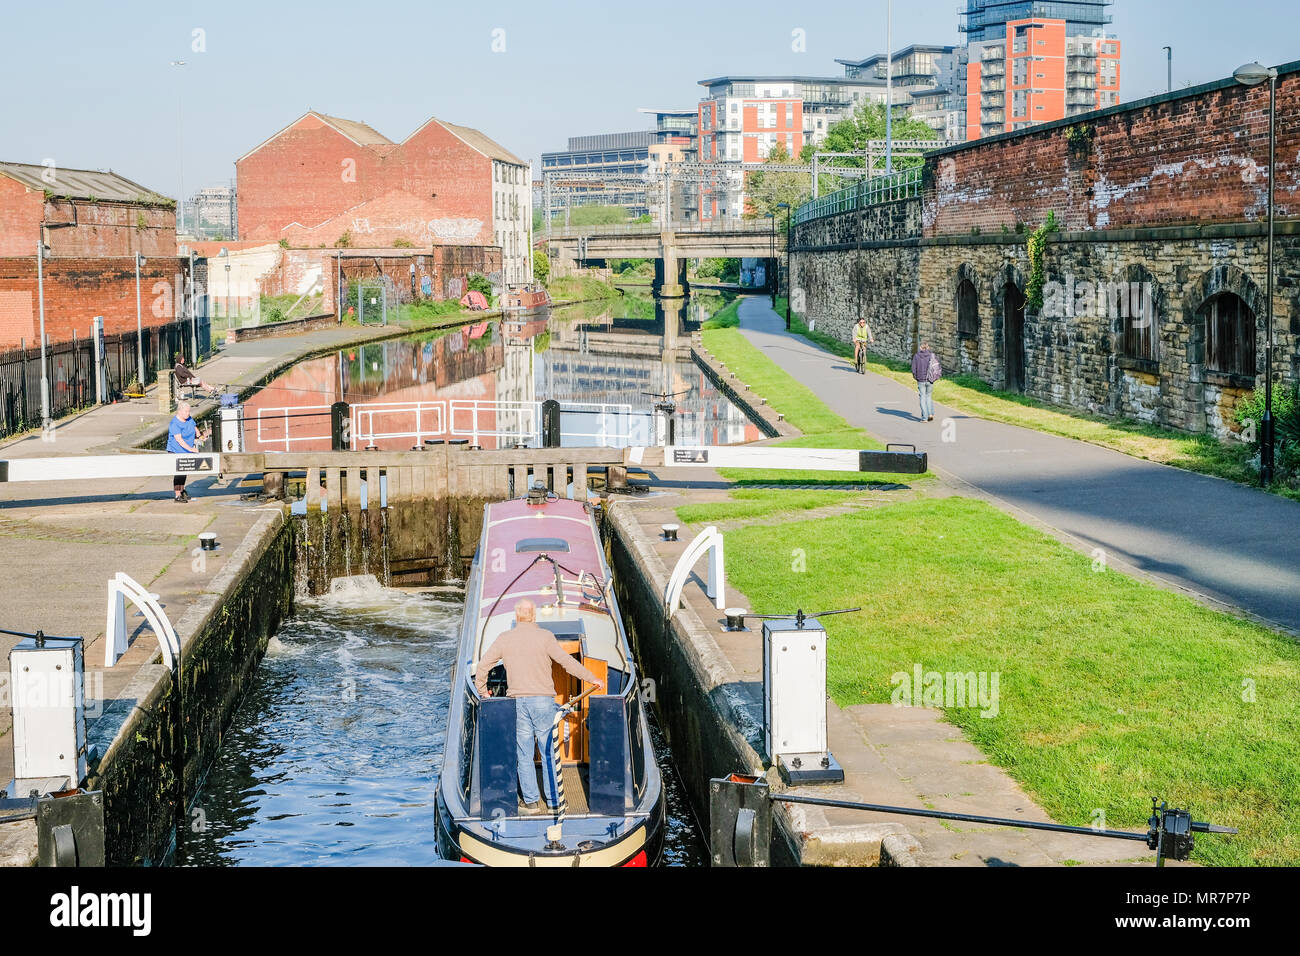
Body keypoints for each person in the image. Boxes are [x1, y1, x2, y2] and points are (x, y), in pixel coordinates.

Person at [474, 598, 604, 813]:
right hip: (543, 703)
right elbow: (567, 662)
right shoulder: (545, 637)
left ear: (516, 616)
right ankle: (554, 802)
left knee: (523, 754)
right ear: (534, 616)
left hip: (517, 702)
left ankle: (531, 802)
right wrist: (592, 678)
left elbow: (483, 666)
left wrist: (483, 693)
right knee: (548, 752)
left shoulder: (504, 638)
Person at [166, 402, 209, 502]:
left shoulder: (189, 419)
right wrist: (191, 449)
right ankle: (177, 495)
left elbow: (195, 429)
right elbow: (179, 440)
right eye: (186, 411)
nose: (188, 413)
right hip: (176, 451)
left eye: (189, 411)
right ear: (179, 411)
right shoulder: (174, 424)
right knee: (179, 473)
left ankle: (182, 491)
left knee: (184, 471)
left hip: (186, 451)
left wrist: (200, 437)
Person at [911, 341, 942, 422]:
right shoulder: (932, 356)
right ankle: (930, 414)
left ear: (920, 347)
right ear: (928, 347)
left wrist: (916, 377)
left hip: (921, 380)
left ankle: (924, 418)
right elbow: (936, 367)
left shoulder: (916, 356)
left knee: (922, 397)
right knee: (928, 396)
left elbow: (913, 369)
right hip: (930, 379)